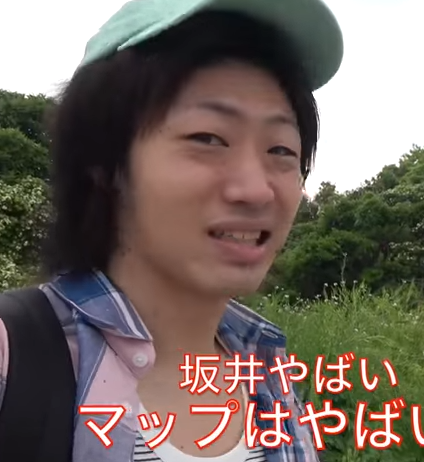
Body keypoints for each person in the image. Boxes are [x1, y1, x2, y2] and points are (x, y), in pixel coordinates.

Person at [0, 0, 344, 460]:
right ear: (103, 163)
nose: (255, 190)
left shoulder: (268, 373)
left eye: (281, 150)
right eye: (208, 138)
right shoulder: (13, 360)